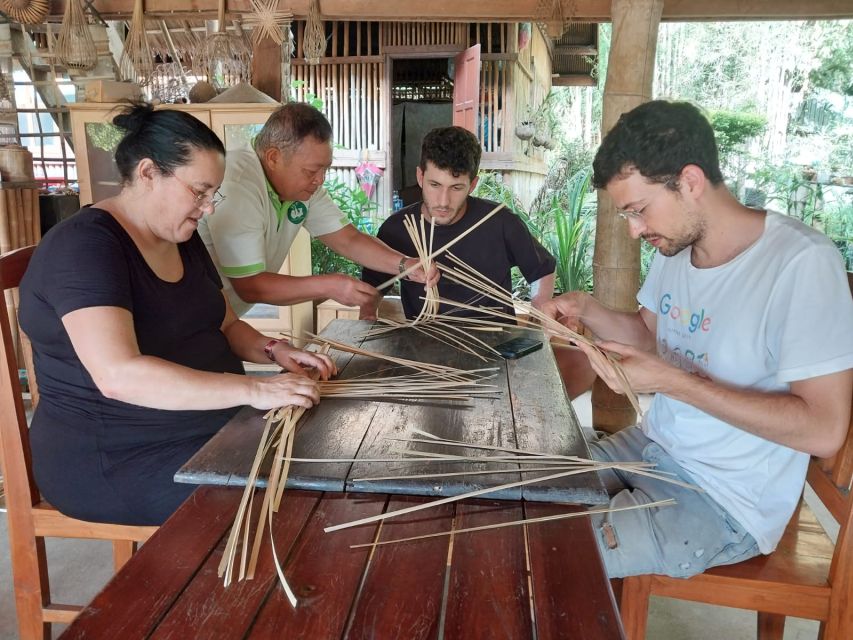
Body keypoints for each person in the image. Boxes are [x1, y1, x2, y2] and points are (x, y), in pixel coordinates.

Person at [542, 100, 853, 578]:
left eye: (639, 210)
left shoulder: (800, 263)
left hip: (726, 497)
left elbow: (824, 431)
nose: (634, 230)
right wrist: (587, 309)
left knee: (549, 557)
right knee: (526, 493)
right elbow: (649, 336)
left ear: (689, 182)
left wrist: (675, 383)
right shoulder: (676, 246)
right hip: (652, 446)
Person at [18, 104, 336, 527]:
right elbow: (119, 375)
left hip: (203, 427)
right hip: (115, 456)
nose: (207, 208)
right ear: (149, 173)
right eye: (199, 192)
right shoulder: (86, 248)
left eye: (212, 195)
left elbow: (225, 324)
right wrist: (255, 391)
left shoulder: (179, 236)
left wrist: (275, 351)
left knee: (324, 459)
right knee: (287, 503)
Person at [198, 103, 436, 317]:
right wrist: (330, 285)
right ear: (273, 158)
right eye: (311, 171)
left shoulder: (300, 187)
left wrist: (406, 265)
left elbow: (348, 239)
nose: (320, 180)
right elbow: (251, 286)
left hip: (223, 317)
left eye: (325, 170)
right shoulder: (239, 182)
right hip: (190, 317)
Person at [360, 126, 556, 320]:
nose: (443, 201)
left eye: (456, 187)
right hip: (422, 343)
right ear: (420, 177)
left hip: (496, 346)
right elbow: (372, 289)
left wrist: (539, 312)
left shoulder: (500, 222)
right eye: (434, 185)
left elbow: (542, 270)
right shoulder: (397, 229)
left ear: (472, 185)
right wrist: (368, 315)